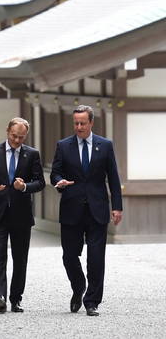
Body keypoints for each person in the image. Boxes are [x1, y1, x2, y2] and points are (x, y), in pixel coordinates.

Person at [50, 105, 122, 317]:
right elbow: (55, 172)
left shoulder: (105, 145)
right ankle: (78, 286)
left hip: (97, 209)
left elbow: (114, 178)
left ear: (91, 123)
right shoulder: (63, 146)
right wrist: (58, 181)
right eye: (76, 123)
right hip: (71, 208)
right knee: (69, 256)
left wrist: (117, 206)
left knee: (96, 258)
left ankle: (92, 301)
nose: (79, 127)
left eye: (83, 123)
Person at [0, 117, 45, 313]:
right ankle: (0, 296)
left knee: (20, 258)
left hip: (21, 214)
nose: (16, 141)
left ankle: (16, 298)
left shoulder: (32, 154)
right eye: (14, 136)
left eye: (21, 138)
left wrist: (24, 186)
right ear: (8, 131)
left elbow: (39, 182)